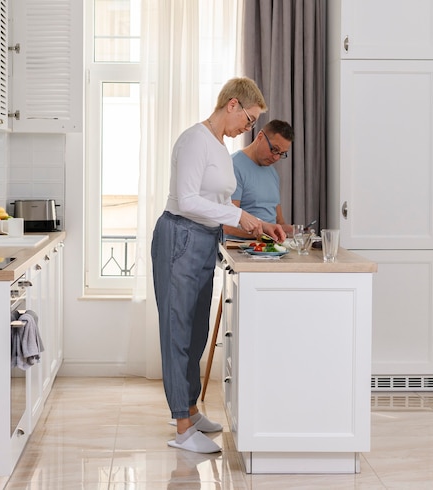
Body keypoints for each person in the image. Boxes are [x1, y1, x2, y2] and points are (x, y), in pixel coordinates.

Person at [151, 77, 287, 454]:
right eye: (250, 118)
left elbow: (217, 202)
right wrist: (237, 215)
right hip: (179, 236)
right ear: (232, 104)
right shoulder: (195, 139)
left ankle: (191, 412)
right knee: (176, 332)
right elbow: (189, 199)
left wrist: (252, 222)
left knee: (195, 333)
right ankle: (181, 427)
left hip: (203, 240)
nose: (250, 127)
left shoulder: (218, 144)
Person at [222, 119, 295, 240]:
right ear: (260, 137)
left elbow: (279, 221)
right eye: (274, 149)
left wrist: (292, 231)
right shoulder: (233, 166)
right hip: (241, 249)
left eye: (282, 153)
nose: (276, 157)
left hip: (270, 248)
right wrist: (264, 233)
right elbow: (227, 224)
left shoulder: (273, 173)